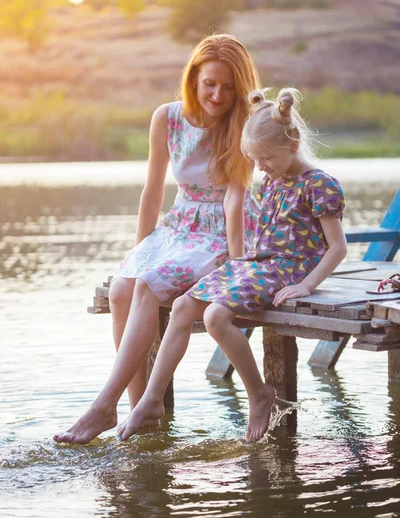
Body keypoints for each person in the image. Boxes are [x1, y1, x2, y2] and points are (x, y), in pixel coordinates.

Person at [53, 34, 260, 444]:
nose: (218, 95)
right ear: (193, 80)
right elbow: (153, 190)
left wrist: (239, 265)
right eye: (210, 84)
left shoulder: (244, 124)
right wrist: (140, 248)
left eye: (228, 86)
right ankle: (135, 409)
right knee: (121, 289)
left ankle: (103, 406)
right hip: (178, 224)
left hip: (224, 229)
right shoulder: (166, 117)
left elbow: (236, 199)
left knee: (148, 287)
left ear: (240, 88)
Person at [116, 87, 347, 443]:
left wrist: (307, 285)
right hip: (259, 264)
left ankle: (258, 392)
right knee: (181, 306)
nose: (260, 167)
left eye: (266, 158)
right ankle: (150, 401)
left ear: (293, 142)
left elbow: (338, 249)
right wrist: (237, 260)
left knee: (214, 316)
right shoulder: (272, 179)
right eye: (255, 160)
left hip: (289, 270)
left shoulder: (319, 184)